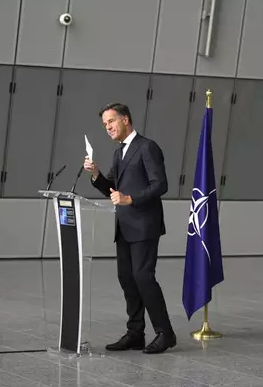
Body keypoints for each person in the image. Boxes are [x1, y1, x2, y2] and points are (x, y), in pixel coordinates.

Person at [83, 103, 176, 354]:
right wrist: (96, 174)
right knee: (127, 279)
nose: (108, 128)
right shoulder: (119, 153)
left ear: (125, 119)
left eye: (111, 121)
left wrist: (130, 199)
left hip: (145, 225)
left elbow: (161, 185)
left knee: (143, 277)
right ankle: (136, 333)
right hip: (124, 227)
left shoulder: (147, 147)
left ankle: (165, 333)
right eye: (105, 125)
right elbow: (112, 189)